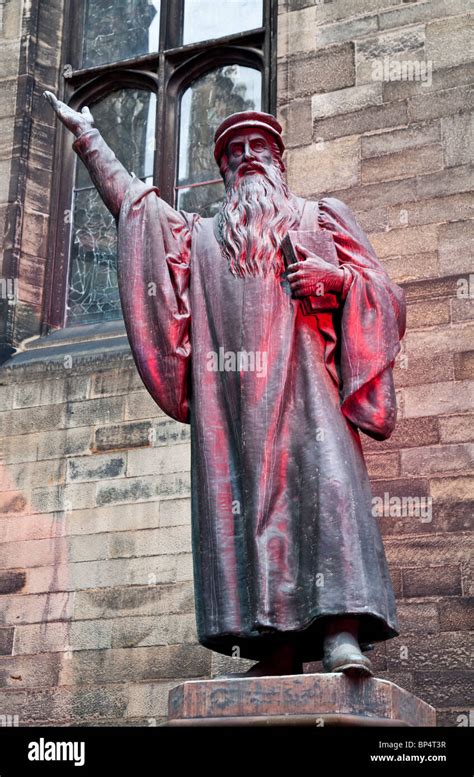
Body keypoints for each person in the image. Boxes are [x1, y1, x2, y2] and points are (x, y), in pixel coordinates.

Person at [44, 92, 406, 677]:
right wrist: (91, 141)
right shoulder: (201, 239)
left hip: (310, 393)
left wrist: (336, 279)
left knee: (328, 491)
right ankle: (278, 648)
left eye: (256, 146)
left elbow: (385, 294)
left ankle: (343, 634)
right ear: (222, 171)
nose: (245, 156)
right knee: (244, 510)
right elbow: (138, 212)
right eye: (233, 152)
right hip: (234, 405)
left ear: (278, 158)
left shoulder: (321, 217)